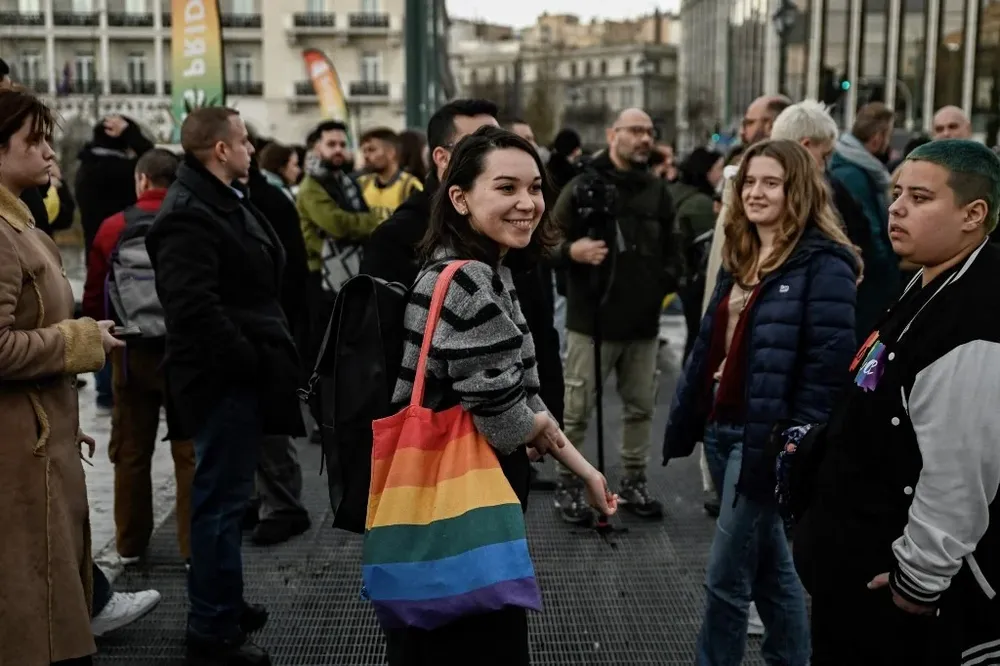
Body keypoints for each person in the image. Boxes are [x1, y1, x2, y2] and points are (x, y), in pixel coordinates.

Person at [383, 125, 616, 666]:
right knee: (473, 638)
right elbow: (509, 420)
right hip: (466, 491)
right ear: (460, 198)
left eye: (535, 188)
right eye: (506, 188)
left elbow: (517, 397)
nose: (528, 203)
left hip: (454, 487)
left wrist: (583, 469)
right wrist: (561, 453)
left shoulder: (480, 269)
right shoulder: (470, 282)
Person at [795, 140, 1000, 665]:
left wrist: (918, 580)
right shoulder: (929, 278)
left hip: (893, 600)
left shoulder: (974, 321)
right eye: (897, 193)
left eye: (921, 197)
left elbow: (958, 474)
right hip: (854, 568)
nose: (897, 208)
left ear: (973, 214)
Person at [664, 139, 861, 665]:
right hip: (722, 427)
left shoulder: (826, 264)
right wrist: (690, 411)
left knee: (726, 577)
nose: (755, 192)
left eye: (770, 183)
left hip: (766, 438)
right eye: (748, 182)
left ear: (796, 189)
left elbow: (826, 370)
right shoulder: (743, 251)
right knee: (775, 574)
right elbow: (710, 344)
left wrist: (793, 444)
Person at [147, 107, 303, 666]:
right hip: (221, 381)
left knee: (229, 501)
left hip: (236, 374)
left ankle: (224, 604)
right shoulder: (190, 214)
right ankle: (211, 630)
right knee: (218, 505)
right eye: (243, 142)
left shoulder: (219, 199)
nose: (251, 150)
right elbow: (192, 308)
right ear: (219, 150)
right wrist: (248, 361)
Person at [0, 85, 124, 666]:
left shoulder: (22, 225)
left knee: (51, 598)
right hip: (17, 455)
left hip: (38, 441)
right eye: (35, 141)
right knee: (36, 614)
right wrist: (80, 339)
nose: (50, 153)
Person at [551, 107, 681, 524]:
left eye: (649, 131)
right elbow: (543, 240)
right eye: (636, 131)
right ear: (613, 134)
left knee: (641, 407)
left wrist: (665, 280)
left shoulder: (657, 190)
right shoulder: (582, 185)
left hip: (643, 323)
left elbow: (673, 248)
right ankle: (568, 485)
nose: (645, 138)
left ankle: (634, 480)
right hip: (592, 321)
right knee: (576, 411)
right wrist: (572, 252)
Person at [81, 148, 197, 566]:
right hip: (183, 354)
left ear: (143, 180)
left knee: (130, 452)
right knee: (189, 453)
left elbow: (95, 293)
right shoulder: (190, 220)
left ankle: (130, 544)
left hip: (129, 354)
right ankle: (191, 548)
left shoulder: (113, 227)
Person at [829, 102, 900, 342]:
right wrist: (889, 273)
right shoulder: (854, 173)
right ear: (878, 138)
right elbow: (871, 231)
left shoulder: (859, 167)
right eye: (888, 134)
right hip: (871, 285)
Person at [669, 147, 724, 359]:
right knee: (698, 336)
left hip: (683, 276)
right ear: (707, 171)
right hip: (695, 278)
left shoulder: (679, 191)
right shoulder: (702, 204)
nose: (720, 175)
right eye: (719, 168)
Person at [356, 127, 423, 211]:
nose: (366, 156)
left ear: (391, 152)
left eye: (371, 150)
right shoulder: (361, 184)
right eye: (364, 151)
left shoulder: (410, 187)